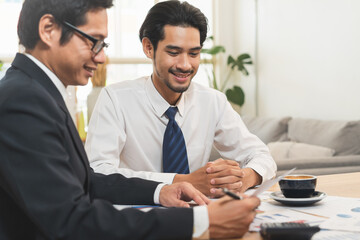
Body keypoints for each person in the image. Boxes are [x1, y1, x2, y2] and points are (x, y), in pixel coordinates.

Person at [0, 0, 260, 239]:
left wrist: (161, 190)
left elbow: (88, 182)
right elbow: (71, 220)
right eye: (94, 41)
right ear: (48, 30)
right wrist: (198, 221)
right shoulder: (24, 101)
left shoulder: (37, 92)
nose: (101, 57)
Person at [85, 0, 277, 197]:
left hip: (199, 213)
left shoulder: (213, 102)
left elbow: (261, 156)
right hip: (140, 215)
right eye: (173, 52)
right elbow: (97, 171)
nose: (185, 65)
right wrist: (181, 182)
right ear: (149, 47)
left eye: (194, 53)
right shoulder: (115, 99)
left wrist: (244, 178)